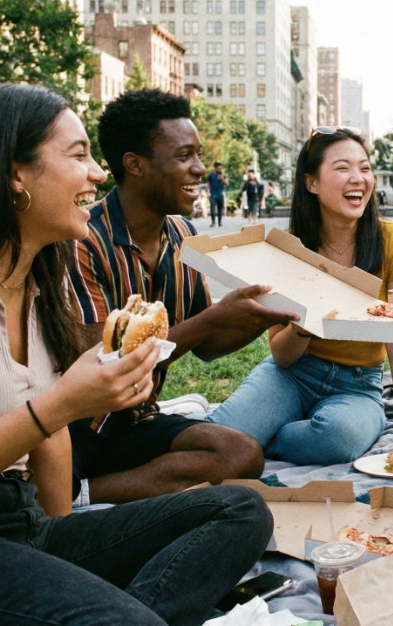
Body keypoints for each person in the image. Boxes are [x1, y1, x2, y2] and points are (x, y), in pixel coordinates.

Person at [0, 83, 272, 626]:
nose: (97, 174)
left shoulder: (40, 282)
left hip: (16, 525)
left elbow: (50, 450)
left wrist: (65, 551)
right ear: (15, 174)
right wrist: (61, 406)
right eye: (78, 155)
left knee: (240, 509)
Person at [69, 89, 299, 505]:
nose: (200, 169)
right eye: (184, 156)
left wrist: (270, 312)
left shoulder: (183, 235)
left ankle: (86, 493)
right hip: (75, 429)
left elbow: (207, 346)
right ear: (135, 165)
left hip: (135, 420)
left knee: (241, 453)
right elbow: (108, 368)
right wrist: (216, 317)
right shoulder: (83, 240)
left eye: (198, 155)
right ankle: (66, 490)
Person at [208, 127, 393, 465]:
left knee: (338, 437)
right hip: (293, 374)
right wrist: (306, 322)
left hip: (358, 385)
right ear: (312, 183)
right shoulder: (287, 248)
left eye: (365, 168)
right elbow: (282, 356)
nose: (358, 178)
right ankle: (249, 436)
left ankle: (259, 441)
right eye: (342, 168)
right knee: (219, 437)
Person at [205, 162, 226, 227]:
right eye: (218, 168)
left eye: (220, 168)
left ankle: (220, 222)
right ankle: (213, 222)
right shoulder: (210, 175)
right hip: (213, 194)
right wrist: (208, 192)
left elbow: (226, 183)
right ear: (215, 168)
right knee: (212, 208)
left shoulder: (222, 175)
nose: (219, 169)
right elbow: (208, 185)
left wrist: (222, 179)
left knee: (220, 208)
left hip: (220, 194)